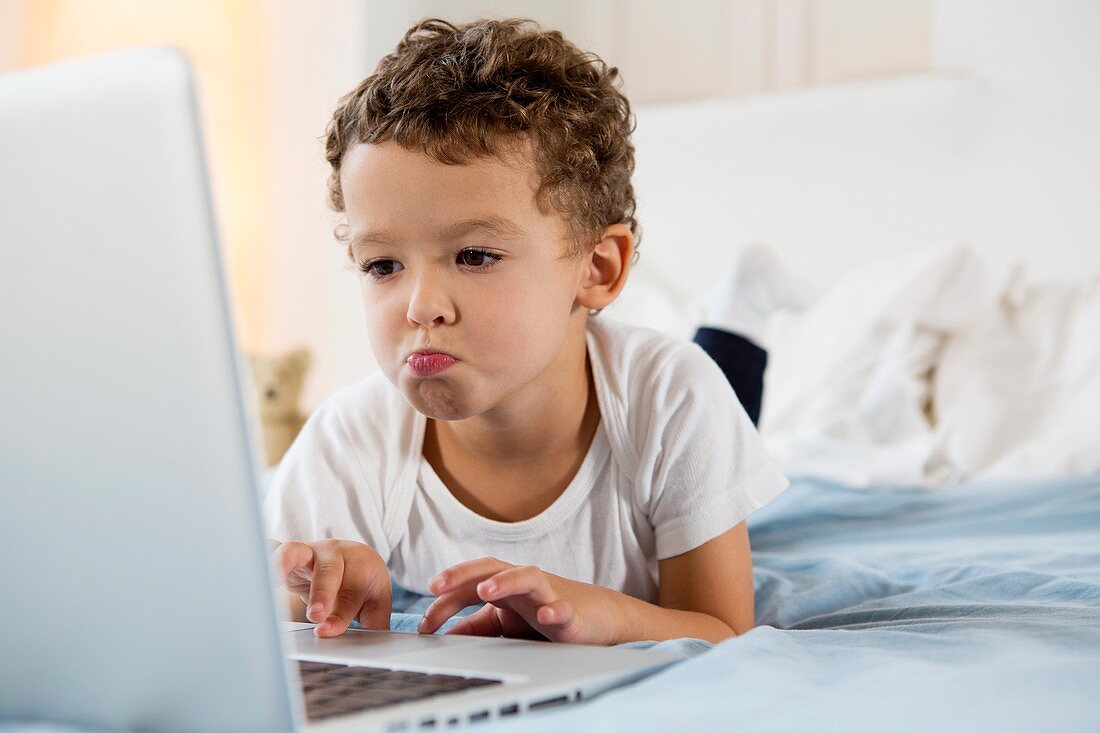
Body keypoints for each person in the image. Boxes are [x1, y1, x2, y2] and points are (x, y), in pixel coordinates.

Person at [265, 17, 792, 646]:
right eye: (383, 265)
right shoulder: (351, 440)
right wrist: (321, 592)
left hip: (660, 381)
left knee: (724, 374)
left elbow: (724, 629)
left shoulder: (673, 396)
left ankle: (744, 303)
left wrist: (604, 613)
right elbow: (270, 609)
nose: (420, 307)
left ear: (597, 268)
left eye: (475, 256)